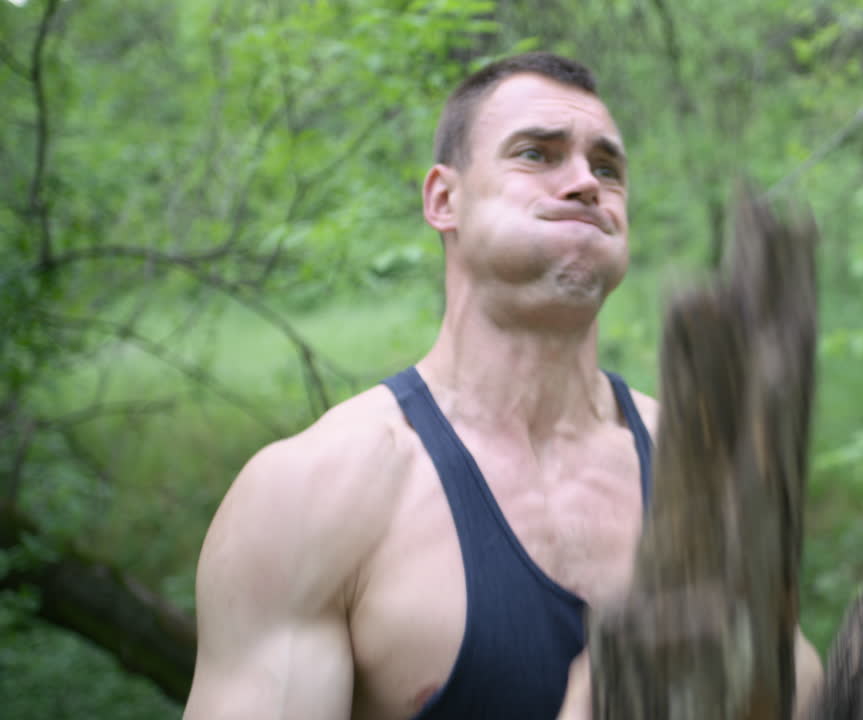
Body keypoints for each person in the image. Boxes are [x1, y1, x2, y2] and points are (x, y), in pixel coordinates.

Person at [183, 52, 822, 720]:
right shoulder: (312, 492)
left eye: (608, 168)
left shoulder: (703, 467)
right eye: (537, 155)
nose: (585, 183)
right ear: (443, 199)